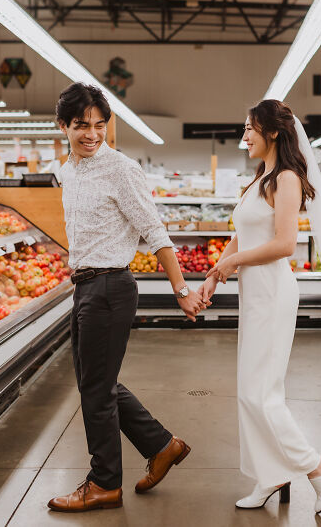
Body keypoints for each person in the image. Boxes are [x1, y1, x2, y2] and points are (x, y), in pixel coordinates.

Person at [48, 83, 206, 513]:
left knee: (95, 391)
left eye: (100, 124)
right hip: (84, 286)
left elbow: (155, 231)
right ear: (63, 125)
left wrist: (182, 290)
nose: (92, 133)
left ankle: (104, 483)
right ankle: (161, 445)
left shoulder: (120, 168)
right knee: (95, 384)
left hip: (110, 288)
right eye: (82, 125)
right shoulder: (70, 170)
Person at [198, 100, 321, 514]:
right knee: (251, 391)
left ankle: (316, 466)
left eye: (250, 129)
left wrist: (231, 262)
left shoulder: (286, 179)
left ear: (273, 133)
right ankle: (270, 474)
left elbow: (284, 244)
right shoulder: (259, 179)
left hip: (274, 292)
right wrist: (216, 271)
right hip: (255, 293)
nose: (244, 136)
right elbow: (243, 235)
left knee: (261, 394)